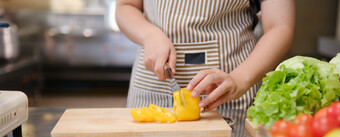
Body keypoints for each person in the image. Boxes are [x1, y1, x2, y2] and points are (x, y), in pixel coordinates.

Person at [116, 0, 295, 112]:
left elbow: (280, 27)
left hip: (230, 95)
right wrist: (149, 35)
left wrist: (238, 80)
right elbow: (126, 6)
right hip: (151, 90)